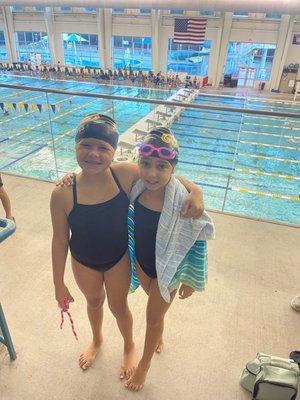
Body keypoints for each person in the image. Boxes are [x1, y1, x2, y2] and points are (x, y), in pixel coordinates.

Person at [51, 114, 205, 378]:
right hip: (82, 261)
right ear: (75, 145)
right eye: (86, 145)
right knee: (94, 302)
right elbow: (60, 240)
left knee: (118, 307)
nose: (94, 154)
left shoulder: (124, 174)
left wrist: (197, 191)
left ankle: (129, 345)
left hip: (118, 259)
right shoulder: (63, 192)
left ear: (114, 152)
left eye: (103, 148)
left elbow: (168, 177)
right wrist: (58, 283)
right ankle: (97, 340)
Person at [125, 128, 215, 391]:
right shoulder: (137, 187)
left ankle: (144, 367)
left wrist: (189, 277)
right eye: (145, 164)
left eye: (162, 166)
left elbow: (196, 239)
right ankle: (159, 333)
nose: (152, 173)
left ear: (172, 168)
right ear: (138, 163)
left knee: (151, 318)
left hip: (170, 270)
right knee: (157, 314)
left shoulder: (184, 202)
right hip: (143, 264)